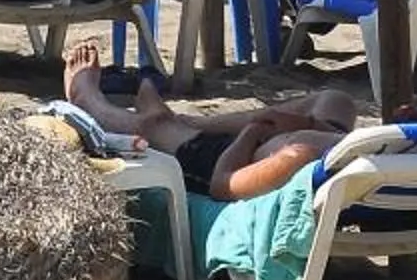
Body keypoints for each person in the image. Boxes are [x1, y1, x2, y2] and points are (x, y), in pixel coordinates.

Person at [59, 40, 360, 203]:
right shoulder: (392, 151)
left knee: (158, 127)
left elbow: (222, 185)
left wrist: (253, 132)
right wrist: (301, 122)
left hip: (222, 161)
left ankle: (91, 101)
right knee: (337, 101)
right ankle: (173, 111)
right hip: (311, 146)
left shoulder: (298, 153)